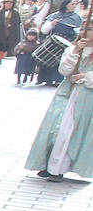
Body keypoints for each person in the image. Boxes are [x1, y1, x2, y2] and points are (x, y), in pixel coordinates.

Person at [25, 17, 93, 181]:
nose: (86, 32)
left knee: (72, 132)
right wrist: (76, 51)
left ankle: (60, 167)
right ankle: (52, 166)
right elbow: (64, 70)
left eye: (90, 29)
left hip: (86, 98)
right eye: (84, 28)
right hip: (66, 95)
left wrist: (85, 76)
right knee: (58, 129)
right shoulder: (72, 50)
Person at [38, 0, 83, 86]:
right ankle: (45, 78)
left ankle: (57, 80)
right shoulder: (55, 16)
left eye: (75, 4)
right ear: (66, 5)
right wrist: (52, 24)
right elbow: (44, 30)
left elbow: (78, 32)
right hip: (53, 42)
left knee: (60, 61)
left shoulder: (77, 17)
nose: (74, 6)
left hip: (67, 43)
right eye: (72, 4)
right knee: (48, 60)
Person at [0, 0, 22, 65]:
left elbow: (18, 24)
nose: (8, 5)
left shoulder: (16, 14)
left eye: (10, 3)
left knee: (4, 47)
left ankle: (0, 59)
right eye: (7, 3)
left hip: (10, 33)